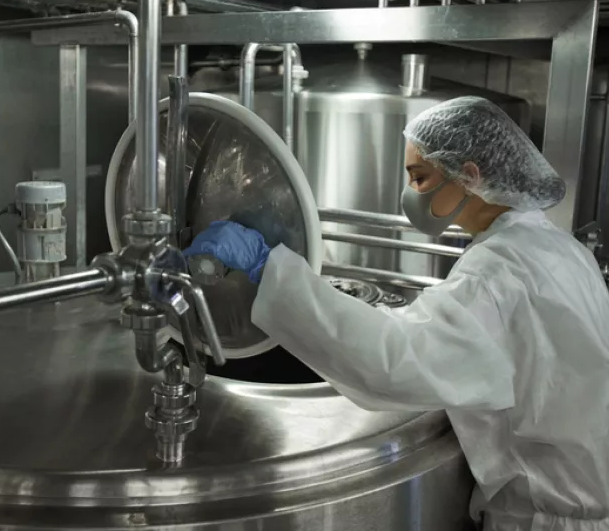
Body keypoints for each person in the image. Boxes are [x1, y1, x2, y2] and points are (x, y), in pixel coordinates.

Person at [184, 96, 609, 531]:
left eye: (420, 178)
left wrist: (267, 266)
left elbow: (392, 362)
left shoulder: (498, 272)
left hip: (548, 518)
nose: (411, 194)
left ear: (469, 174)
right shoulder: (558, 247)